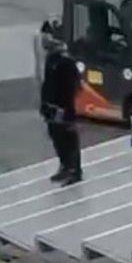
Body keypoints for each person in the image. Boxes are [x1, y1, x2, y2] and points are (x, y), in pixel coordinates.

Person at [40, 22, 83, 186]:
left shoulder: (65, 62)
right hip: (51, 108)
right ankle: (64, 165)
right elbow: (47, 84)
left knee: (69, 140)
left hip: (64, 109)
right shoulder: (50, 60)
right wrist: (44, 104)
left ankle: (75, 170)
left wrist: (65, 110)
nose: (43, 41)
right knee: (57, 138)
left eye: (46, 36)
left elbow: (71, 88)